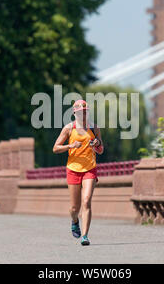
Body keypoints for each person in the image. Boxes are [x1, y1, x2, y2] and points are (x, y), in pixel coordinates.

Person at [53, 99, 104, 246]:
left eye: (86, 112)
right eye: (81, 112)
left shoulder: (94, 128)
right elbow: (55, 148)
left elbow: (101, 150)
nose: (84, 114)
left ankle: (85, 235)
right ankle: (74, 221)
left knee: (86, 201)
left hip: (90, 168)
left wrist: (97, 144)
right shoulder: (69, 128)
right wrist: (71, 145)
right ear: (74, 112)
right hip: (73, 169)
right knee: (74, 208)